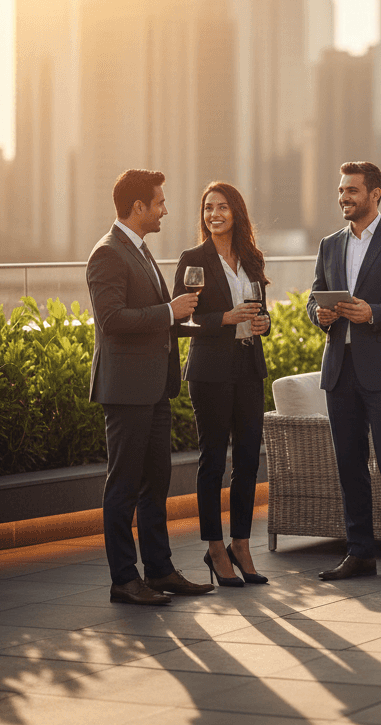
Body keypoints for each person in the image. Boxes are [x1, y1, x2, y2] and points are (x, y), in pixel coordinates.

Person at [86, 169, 215, 605]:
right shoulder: (107, 253)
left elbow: (158, 321)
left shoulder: (138, 251)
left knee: (156, 482)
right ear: (138, 207)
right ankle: (124, 579)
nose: (165, 210)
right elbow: (113, 320)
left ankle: (159, 570)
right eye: (159, 202)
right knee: (123, 485)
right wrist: (169, 311)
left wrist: (202, 323)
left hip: (156, 388)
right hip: (126, 390)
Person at [307, 161, 381, 589]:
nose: (344, 197)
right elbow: (313, 297)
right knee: (349, 464)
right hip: (339, 370)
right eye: (341, 191)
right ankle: (358, 552)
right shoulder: (329, 244)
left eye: (352, 191)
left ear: (375, 194)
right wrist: (320, 314)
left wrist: (374, 312)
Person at [173, 182, 272, 588]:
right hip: (210, 372)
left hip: (249, 367)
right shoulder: (192, 259)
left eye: (222, 207)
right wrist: (224, 319)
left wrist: (264, 323)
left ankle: (241, 545)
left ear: (237, 213)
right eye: (208, 208)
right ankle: (215, 547)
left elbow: (261, 312)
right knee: (213, 461)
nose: (214, 214)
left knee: (248, 460)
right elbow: (181, 321)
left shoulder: (252, 258)